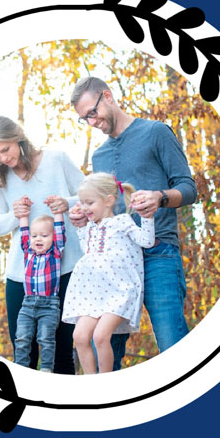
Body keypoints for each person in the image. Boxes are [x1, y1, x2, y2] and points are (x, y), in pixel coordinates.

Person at [70, 76, 197, 369]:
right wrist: (84, 216)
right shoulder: (99, 155)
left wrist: (160, 197)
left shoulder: (156, 132)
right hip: (112, 265)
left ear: (108, 96)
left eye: (92, 112)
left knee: (172, 345)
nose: (91, 122)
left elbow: (188, 189)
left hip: (157, 255)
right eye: (83, 119)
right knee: (98, 347)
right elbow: (105, 211)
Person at [0, 115, 84, 374]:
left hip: (64, 272)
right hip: (22, 277)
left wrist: (68, 203)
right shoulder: (2, 178)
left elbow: (93, 195)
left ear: (18, 139)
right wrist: (16, 215)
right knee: (23, 353)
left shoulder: (56, 159)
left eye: (5, 149)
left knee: (61, 354)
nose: (2, 158)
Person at [61, 173, 156, 374]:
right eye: (82, 203)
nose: (85, 208)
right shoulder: (91, 227)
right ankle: (90, 381)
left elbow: (146, 241)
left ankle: (105, 380)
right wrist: (81, 228)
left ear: (109, 201)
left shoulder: (123, 221)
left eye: (89, 203)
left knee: (100, 336)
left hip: (119, 291)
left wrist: (147, 218)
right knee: (79, 336)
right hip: (92, 293)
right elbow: (88, 250)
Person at [14, 211, 66, 372]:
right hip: (27, 304)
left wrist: (58, 213)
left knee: (45, 338)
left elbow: (59, 231)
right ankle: (20, 368)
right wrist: (23, 215)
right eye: (34, 236)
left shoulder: (55, 253)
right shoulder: (28, 252)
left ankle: (46, 368)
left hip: (49, 306)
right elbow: (24, 233)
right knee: (22, 338)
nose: (38, 239)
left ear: (52, 238)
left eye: (44, 235)